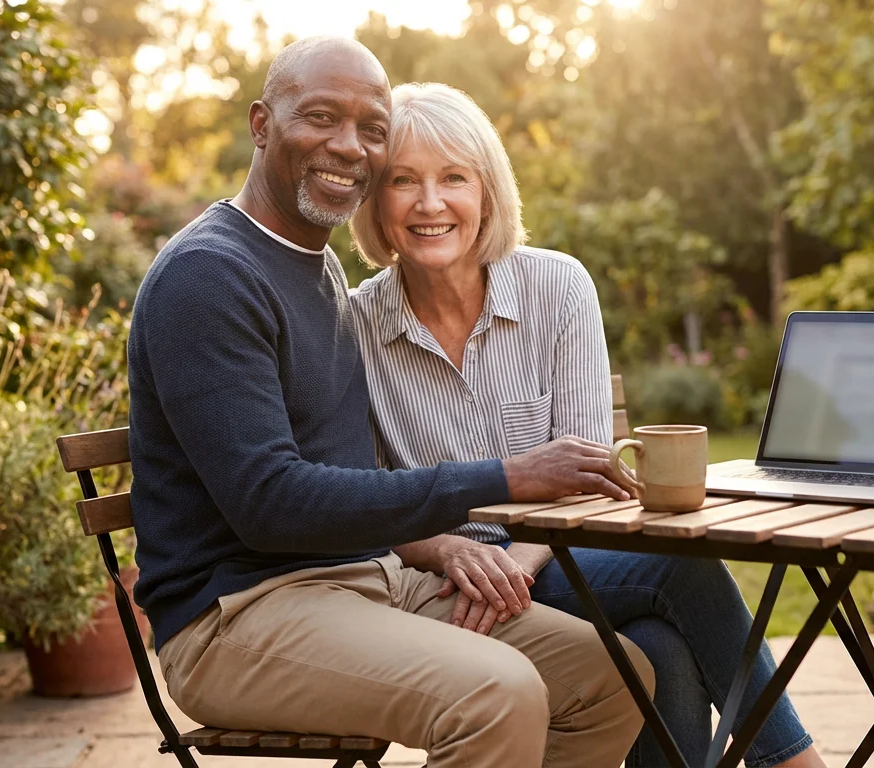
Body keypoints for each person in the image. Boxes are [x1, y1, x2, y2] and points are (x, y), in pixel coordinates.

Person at [127, 38, 653, 768]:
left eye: (371, 128)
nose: (348, 146)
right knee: (496, 694)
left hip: (366, 581)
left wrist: (438, 548)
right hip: (237, 618)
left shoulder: (318, 275)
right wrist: (506, 476)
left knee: (612, 676)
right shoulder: (209, 276)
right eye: (320, 117)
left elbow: (347, 475)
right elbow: (269, 502)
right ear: (260, 124)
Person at [349, 82, 826, 768]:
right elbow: (362, 493)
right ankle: (794, 762)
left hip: (558, 554)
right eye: (403, 181)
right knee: (668, 612)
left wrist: (518, 561)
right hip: (439, 584)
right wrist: (454, 552)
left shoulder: (558, 287)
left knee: (668, 613)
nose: (430, 203)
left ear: (486, 190)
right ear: (376, 201)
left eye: (453, 177)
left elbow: (588, 469)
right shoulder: (355, 325)